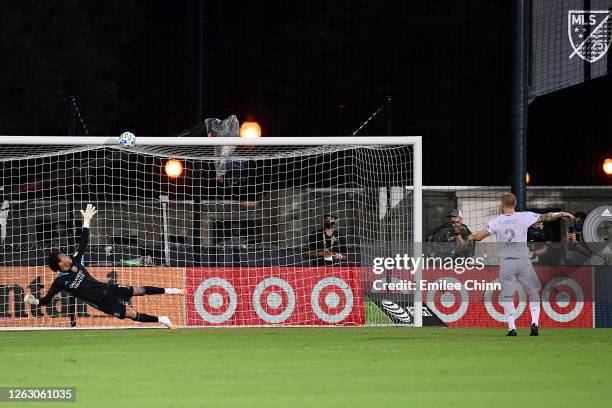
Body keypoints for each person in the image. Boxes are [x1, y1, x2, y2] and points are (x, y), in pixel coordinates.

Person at [24, 204, 183, 329]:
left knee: (139, 290)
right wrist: (35, 302)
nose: (66, 255)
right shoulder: (60, 282)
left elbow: (83, 242)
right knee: (131, 314)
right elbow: (46, 300)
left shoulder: (76, 262)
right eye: (63, 256)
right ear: (60, 263)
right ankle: (162, 320)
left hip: (109, 289)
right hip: (103, 303)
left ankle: (172, 290)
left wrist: (86, 221)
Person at [467, 193, 574, 336]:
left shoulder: (496, 221)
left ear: (501, 204)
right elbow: (547, 216)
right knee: (533, 291)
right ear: (515, 203)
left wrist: (471, 236)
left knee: (507, 295)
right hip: (523, 261)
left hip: (507, 263)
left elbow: (479, 237)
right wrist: (561, 213)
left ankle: (512, 328)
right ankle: (535, 323)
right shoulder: (525, 216)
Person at [204, 115, 241, 185]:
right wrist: (218, 174)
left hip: (228, 139)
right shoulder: (220, 141)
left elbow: (221, 156)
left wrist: (219, 174)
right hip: (225, 139)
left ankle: (222, 173)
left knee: (223, 152)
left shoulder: (228, 141)